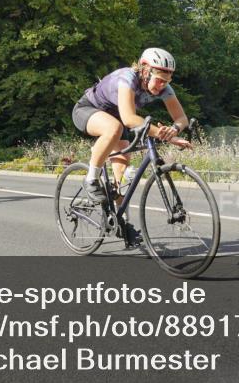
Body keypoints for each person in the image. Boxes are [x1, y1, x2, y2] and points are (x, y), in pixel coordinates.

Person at [71, 48, 192, 247]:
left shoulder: (164, 88)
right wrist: (162, 134)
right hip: (88, 109)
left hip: (117, 119)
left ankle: (121, 222)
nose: (162, 85)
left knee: (123, 176)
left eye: (167, 81)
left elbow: (181, 118)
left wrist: (174, 130)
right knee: (114, 127)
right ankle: (91, 178)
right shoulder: (127, 78)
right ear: (145, 70)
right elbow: (129, 118)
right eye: (159, 79)